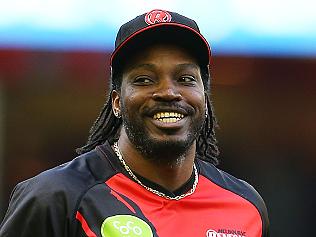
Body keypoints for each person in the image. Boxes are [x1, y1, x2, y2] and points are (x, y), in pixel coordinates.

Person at [0, 9, 269, 237]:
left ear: (205, 100)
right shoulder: (56, 198)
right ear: (117, 102)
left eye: (185, 79)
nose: (168, 92)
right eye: (144, 79)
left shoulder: (246, 206)